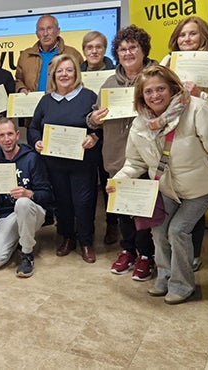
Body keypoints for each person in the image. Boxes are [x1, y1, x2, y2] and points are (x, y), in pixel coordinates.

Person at [110, 65, 208, 305]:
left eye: (160, 89)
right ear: (141, 96)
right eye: (148, 91)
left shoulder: (196, 109)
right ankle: (165, 277)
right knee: (158, 230)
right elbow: (135, 162)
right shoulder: (140, 123)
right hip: (167, 188)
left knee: (178, 231)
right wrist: (119, 180)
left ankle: (182, 285)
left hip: (200, 188)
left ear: (172, 88)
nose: (155, 95)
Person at [88, 25, 159, 279]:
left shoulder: (156, 78)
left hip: (148, 158)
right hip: (116, 157)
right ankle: (127, 250)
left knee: (144, 211)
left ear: (143, 50)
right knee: (122, 210)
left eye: (133, 48)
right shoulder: (110, 83)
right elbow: (93, 119)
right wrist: (94, 119)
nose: (128, 53)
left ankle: (146, 255)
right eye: (122, 49)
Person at [162, 16, 208, 271]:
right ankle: (170, 259)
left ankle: (193, 256)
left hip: (200, 139)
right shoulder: (167, 62)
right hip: (171, 137)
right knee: (174, 199)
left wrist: (201, 94)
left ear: (203, 36)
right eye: (182, 34)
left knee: (194, 199)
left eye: (192, 34)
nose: (186, 39)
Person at [27, 53, 100, 263]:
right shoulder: (46, 101)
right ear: (53, 75)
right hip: (55, 165)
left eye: (69, 70)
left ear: (76, 73)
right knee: (63, 203)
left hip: (82, 164)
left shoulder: (88, 96)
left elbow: (100, 126)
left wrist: (94, 137)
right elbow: (33, 128)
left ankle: (86, 241)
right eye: (60, 71)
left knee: (83, 203)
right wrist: (37, 142)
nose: (64, 74)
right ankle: (68, 238)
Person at [0, 118, 53, 277]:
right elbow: (2, 200)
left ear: (17, 135)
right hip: (9, 216)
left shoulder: (32, 158)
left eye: (10, 134)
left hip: (33, 211)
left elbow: (47, 195)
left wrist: (29, 194)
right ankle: (18, 238)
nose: (7, 139)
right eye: (2, 135)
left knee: (22, 203)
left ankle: (27, 254)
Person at [79, 30, 119, 246]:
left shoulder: (115, 73)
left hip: (109, 135)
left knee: (107, 182)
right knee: (86, 184)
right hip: (84, 135)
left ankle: (112, 224)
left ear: (105, 49)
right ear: (84, 50)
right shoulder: (77, 73)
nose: (94, 51)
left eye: (98, 47)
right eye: (89, 47)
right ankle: (87, 226)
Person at [15, 14, 84, 94]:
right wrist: (21, 89)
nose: (45, 34)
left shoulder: (72, 54)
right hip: (33, 101)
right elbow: (18, 80)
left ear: (58, 31)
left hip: (64, 101)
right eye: (41, 29)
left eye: (49, 28)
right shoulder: (26, 55)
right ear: (37, 34)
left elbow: (81, 80)